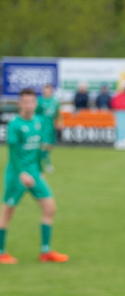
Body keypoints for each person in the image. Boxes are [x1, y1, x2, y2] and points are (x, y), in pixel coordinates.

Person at [0, 88, 68, 265]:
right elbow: (13, 154)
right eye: (25, 102)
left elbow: (37, 150)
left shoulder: (38, 122)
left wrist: (40, 171)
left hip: (35, 173)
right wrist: (22, 173)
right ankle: (1, 252)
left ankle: (45, 252)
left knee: (50, 208)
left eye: (31, 102)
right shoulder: (14, 124)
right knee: (7, 213)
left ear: (35, 103)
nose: (28, 105)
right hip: (17, 175)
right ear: (20, 103)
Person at [34, 83, 60, 174]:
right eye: (45, 90)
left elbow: (57, 114)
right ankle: (47, 164)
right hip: (42, 127)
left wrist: (58, 123)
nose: (46, 92)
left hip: (50, 128)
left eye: (48, 90)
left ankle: (41, 161)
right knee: (43, 145)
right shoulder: (39, 101)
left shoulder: (54, 101)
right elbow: (35, 114)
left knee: (49, 147)